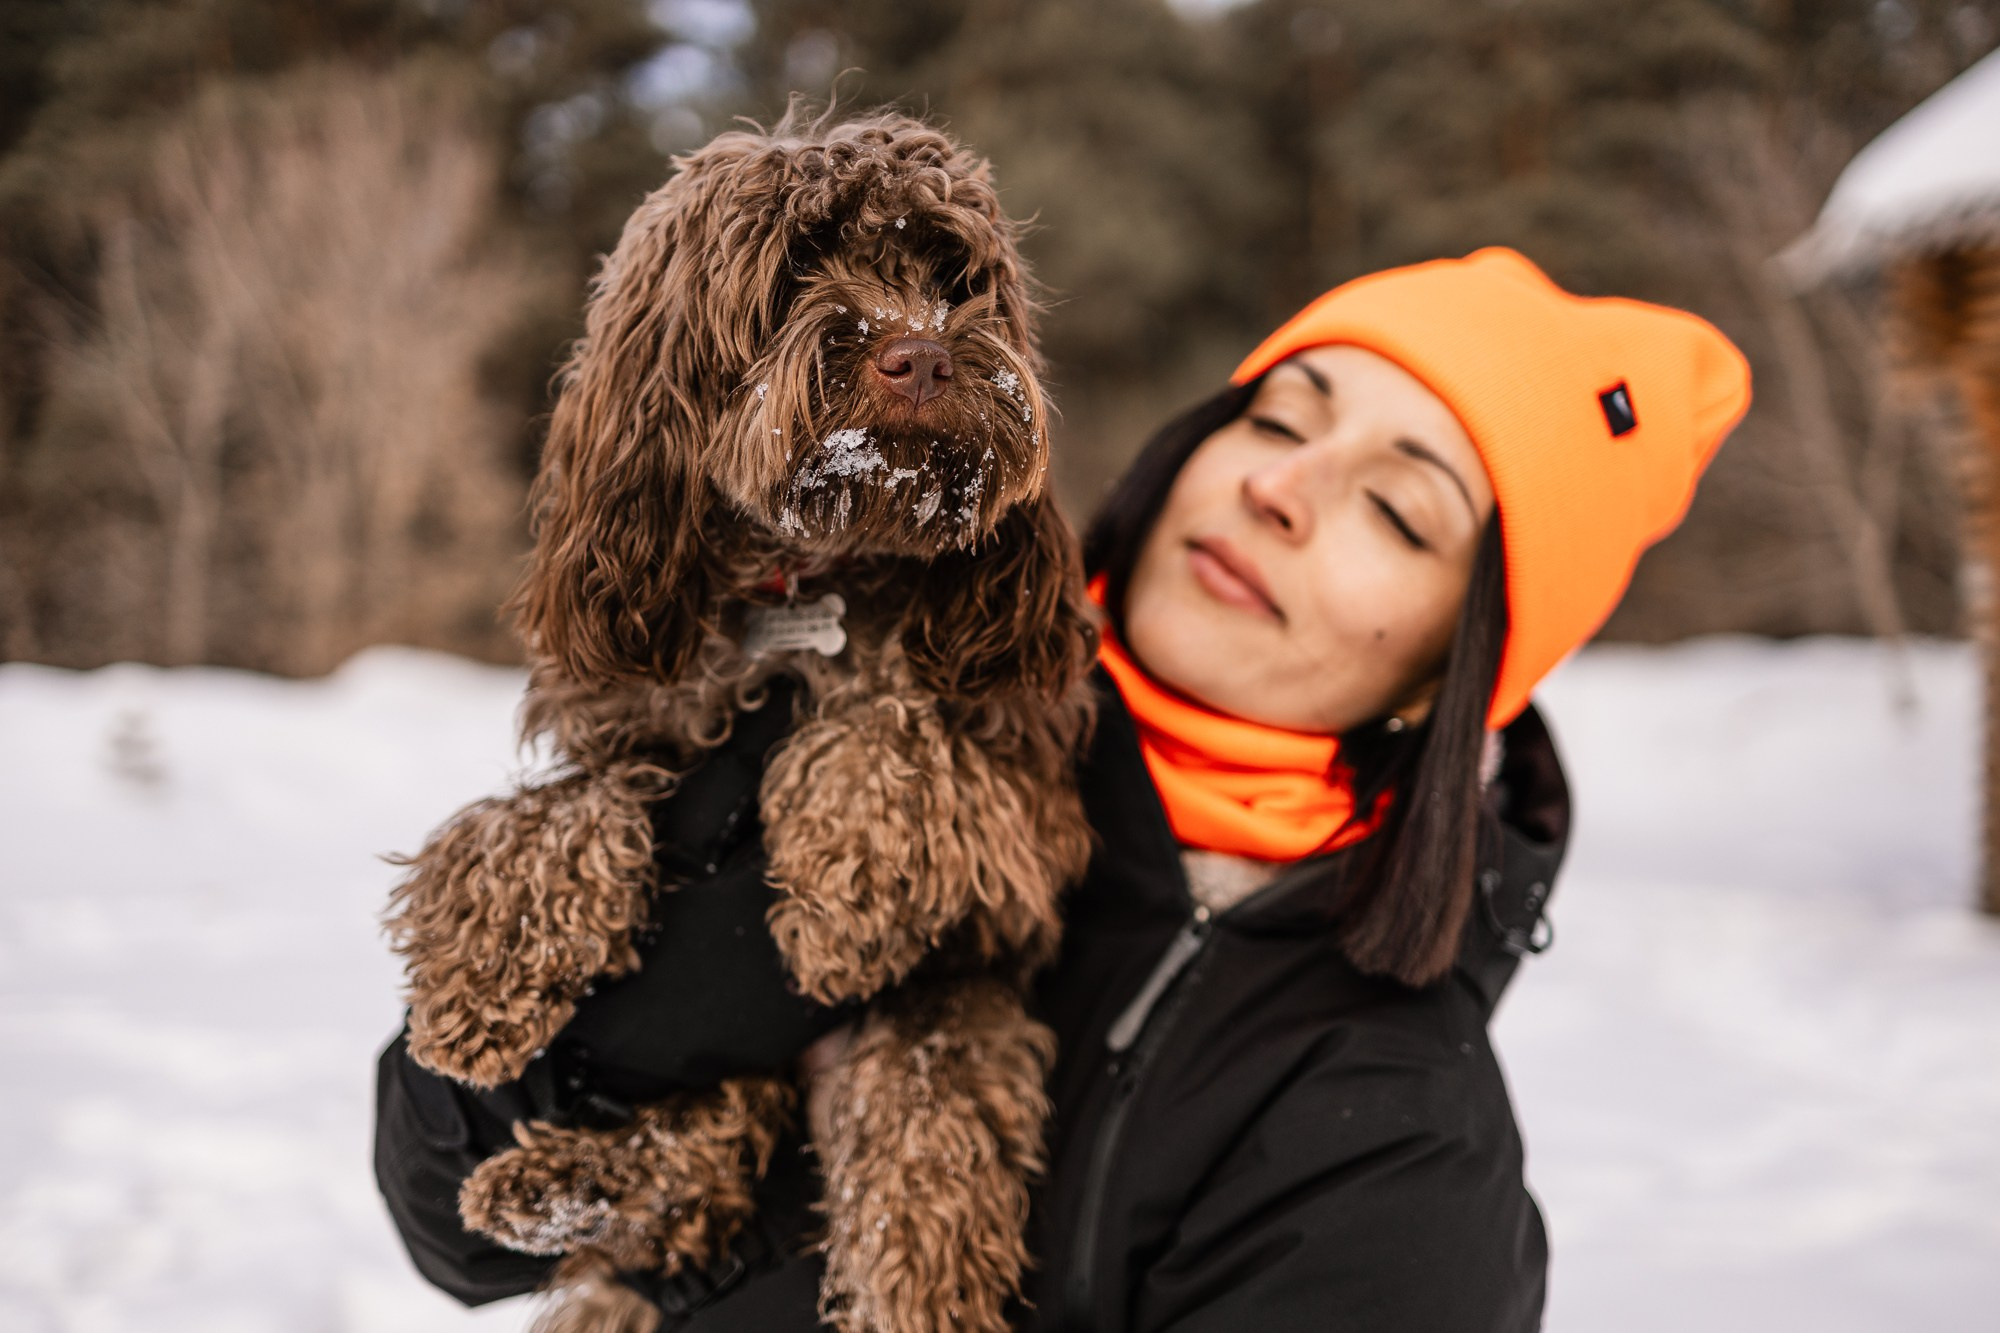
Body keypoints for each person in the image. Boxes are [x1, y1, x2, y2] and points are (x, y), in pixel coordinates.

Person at [372, 247, 1751, 1331]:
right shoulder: (851, 671)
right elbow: (452, 1225)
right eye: (1282, 412)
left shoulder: (1394, 1156)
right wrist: (607, 1047)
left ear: (1449, 681)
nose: (1284, 486)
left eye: (1400, 511)